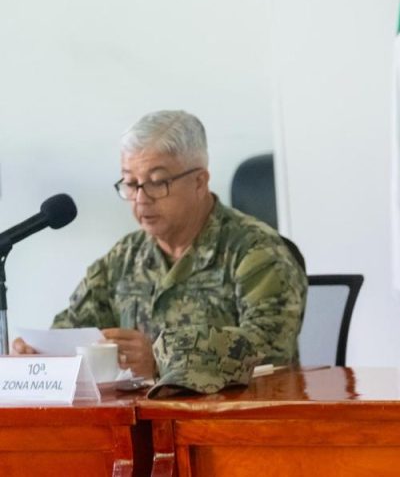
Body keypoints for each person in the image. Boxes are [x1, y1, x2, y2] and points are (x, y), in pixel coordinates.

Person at [13, 110, 307, 395]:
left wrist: (160, 358)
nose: (141, 199)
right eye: (131, 184)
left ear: (199, 181)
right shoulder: (124, 257)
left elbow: (269, 347)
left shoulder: (257, 251)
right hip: (137, 421)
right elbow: (73, 329)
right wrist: (40, 355)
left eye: (156, 182)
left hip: (233, 420)